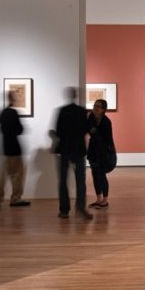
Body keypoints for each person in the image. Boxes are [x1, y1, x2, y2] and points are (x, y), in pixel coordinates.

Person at [54, 87, 93, 220]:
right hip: (78, 150)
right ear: (75, 95)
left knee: (63, 181)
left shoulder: (62, 111)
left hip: (65, 150)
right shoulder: (82, 111)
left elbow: (58, 131)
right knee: (80, 180)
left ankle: (64, 210)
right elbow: (86, 130)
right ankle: (81, 208)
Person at [0, 91, 31, 208]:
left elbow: (0, 128)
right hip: (14, 148)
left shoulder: (2, 113)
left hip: (4, 147)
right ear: (12, 99)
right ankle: (16, 198)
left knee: (2, 176)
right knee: (17, 174)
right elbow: (20, 130)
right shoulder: (13, 112)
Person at [87, 98, 116, 208]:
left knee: (101, 175)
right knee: (95, 174)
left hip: (103, 152)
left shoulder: (106, 122)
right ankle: (98, 199)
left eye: (98, 106)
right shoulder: (91, 117)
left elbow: (107, 139)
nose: (95, 108)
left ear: (103, 109)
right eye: (94, 105)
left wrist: (94, 131)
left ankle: (105, 200)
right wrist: (93, 131)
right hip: (93, 151)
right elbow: (89, 129)